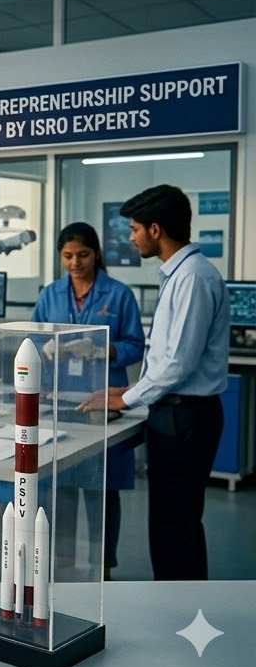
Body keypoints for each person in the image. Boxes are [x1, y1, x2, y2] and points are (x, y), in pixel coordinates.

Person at [83, 185, 229, 580]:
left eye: (133, 229)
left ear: (155, 229)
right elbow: (166, 358)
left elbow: (179, 363)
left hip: (186, 416)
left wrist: (126, 399)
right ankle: (179, 607)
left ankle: (183, 615)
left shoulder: (193, 278)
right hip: (175, 410)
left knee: (175, 527)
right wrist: (127, 391)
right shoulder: (180, 273)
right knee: (169, 524)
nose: (130, 238)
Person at [31, 222, 144, 579]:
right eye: (68, 256)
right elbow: (32, 341)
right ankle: (61, 560)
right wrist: (45, 350)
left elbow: (135, 346)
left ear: (96, 253)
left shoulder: (119, 294)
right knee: (61, 485)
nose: (75, 262)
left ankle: (103, 567)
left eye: (82, 255)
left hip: (103, 403)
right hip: (60, 404)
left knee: (102, 490)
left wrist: (101, 349)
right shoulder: (50, 294)